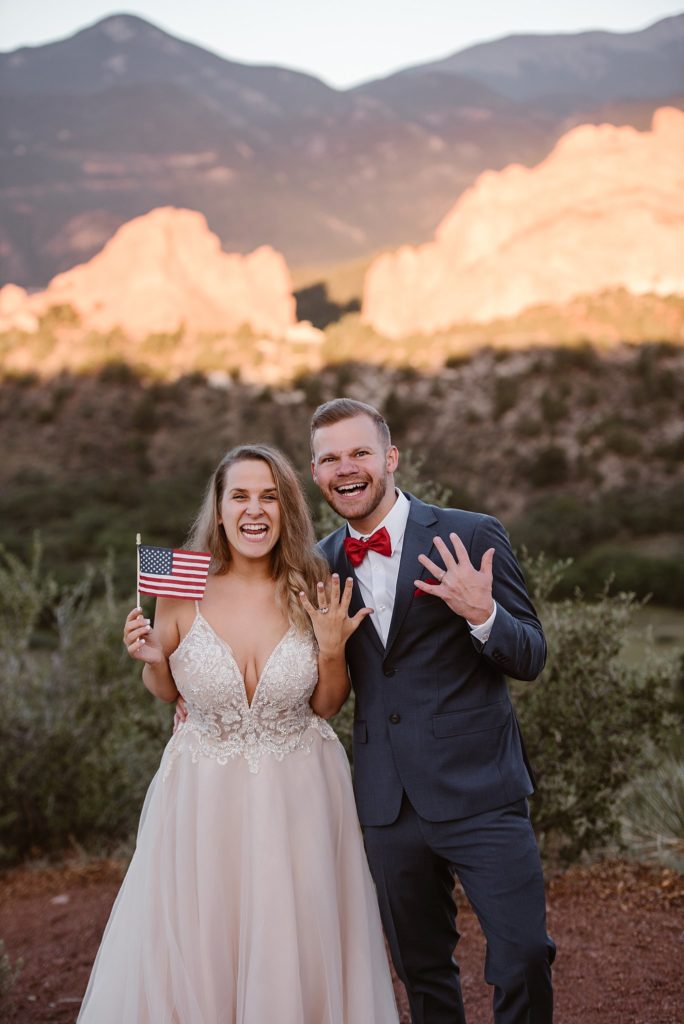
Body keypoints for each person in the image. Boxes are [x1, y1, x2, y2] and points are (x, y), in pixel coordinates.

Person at [77, 444, 398, 1023]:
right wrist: (153, 657)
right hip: (202, 798)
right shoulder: (178, 583)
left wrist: (331, 651)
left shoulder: (313, 582)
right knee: (202, 941)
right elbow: (169, 691)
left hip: (300, 793)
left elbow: (327, 705)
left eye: (270, 496)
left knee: (294, 935)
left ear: (287, 509)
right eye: (241, 496)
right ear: (219, 510)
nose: (256, 510)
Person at [310, 398, 555, 1024]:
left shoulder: (470, 534)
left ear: (390, 457)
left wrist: (483, 615)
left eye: (360, 452)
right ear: (315, 473)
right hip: (387, 803)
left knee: (523, 955)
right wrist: (191, 699)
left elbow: (530, 655)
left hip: (482, 791)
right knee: (421, 972)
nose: (347, 468)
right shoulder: (317, 564)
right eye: (330, 458)